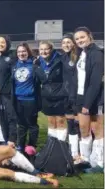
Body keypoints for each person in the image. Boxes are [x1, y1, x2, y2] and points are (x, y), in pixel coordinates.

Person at [72, 27, 104, 171]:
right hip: (81, 95)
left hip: (94, 98)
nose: (79, 40)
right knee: (84, 128)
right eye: (77, 39)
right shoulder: (82, 53)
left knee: (97, 129)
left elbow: (95, 81)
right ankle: (85, 159)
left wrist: (87, 103)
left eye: (82, 37)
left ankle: (99, 163)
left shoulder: (97, 53)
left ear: (89, 36)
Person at [11, 43, 42, 151]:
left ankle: (32, 146)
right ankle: (21, 145)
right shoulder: (15, 66)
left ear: (28, 52)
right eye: (19, 51)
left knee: (32, 125)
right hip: (18, 100)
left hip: (30, 100)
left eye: (23, 51)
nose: (21, 53)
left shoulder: (33, 65)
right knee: (21, 125)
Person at [35, 41, 67, 141]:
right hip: (46, 96)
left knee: (60, 121)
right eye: (41, 49)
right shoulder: (37, 62)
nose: (43, 51)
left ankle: (61, 146)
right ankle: (52, 146)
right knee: (51, 121)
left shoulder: (61, 60)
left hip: (60, 96)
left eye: (46, 49)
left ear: (51, 50)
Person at [61, 33, 81, 158]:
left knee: (80, 124)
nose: (66, 45)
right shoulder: (62, 57)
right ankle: (73, 152)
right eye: (64, 43)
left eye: (68, 42)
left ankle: (83, 153)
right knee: (70, 123)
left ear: (73, 43)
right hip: (66, 95)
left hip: (77, 96)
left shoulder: (79, 56)